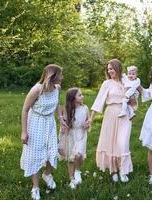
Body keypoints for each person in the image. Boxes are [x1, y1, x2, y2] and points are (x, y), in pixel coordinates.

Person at [20, 64, 68, 200]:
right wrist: (24, 131)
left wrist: (60, 118)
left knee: (52, 151)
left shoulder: (57, 88)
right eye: (61, 75)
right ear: (53, 76)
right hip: (35, 122)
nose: (62, 77)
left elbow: (57, 103)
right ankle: (35, 187)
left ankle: (47, 174)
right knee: (34, 154)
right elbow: (24, 109)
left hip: (49, 123)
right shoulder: (37, 89)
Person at [87, 58, 133, 183]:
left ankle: (123, 170)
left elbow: (134, 101)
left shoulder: (127, 81)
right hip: (111, 114)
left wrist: (132, 94)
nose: (110, 71)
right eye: (108, 69)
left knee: (123, 143)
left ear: (118, 68)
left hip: (125, 114)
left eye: (111, 68)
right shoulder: (106, 83)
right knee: (111, 142)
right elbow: (98, 102)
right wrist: (91, 118)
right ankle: (113, 171)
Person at [58, 88, 90, 189]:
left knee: (78, 154)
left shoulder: (85, 108)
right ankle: (71, 179)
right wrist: (62, 141)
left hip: (81, 134)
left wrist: (87, 124)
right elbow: (64, 126)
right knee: (70, 158)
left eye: (82, 94)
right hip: (70, 135)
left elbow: (88, 120)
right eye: (80, 95)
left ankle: (77, 171)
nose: (82, 96)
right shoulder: (67, 110)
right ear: (73, 98)